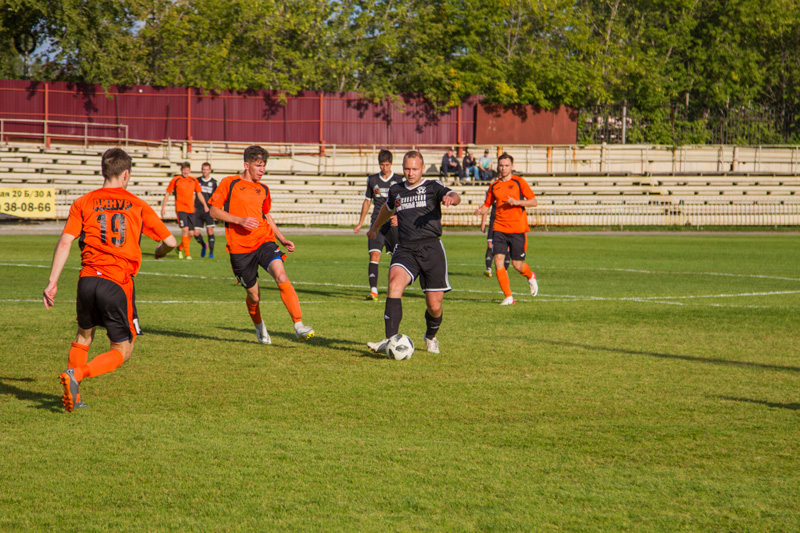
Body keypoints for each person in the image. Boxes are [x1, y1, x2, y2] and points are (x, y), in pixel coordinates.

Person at [43, 148, 177, 412]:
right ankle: (77, 375)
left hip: (86, 281)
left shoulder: (84, 202)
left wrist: (52, 282)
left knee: (83, 337)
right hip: (116, 283)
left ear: (103, 170)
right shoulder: (136, 204)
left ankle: (74, 394)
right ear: (126, 174)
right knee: (123, 350)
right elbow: (170, 242)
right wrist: (160, 252)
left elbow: (65, 241)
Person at [208, 145, 314, 344]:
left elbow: (265, 215)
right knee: (254, 296)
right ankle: (259, 327)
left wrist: (281, 238)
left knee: (281, 274)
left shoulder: (264, 189)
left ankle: (298, 325)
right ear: (247, 165)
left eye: (264, 165)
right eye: (258, 165)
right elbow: (213, 211)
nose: (262, 170)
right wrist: (239, 220)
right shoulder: (229, 183)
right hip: (240, 249)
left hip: (264, 241)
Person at [366, 150, 461, 355]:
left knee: (434, 305)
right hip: (405, 247)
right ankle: (390, 340)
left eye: (414, 169)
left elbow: (454, 194)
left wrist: (450, 198)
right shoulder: (396, 190)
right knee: (394, 284)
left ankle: (430, 336)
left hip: (431, 249)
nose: (410, 173)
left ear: (422, 168)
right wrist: (374, 228)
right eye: (407, 169)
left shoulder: (432, 187)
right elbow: (387, 209)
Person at [474, 152, 538, 305]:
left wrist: (517, 202)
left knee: (517, 265)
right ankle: (509, 297)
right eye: (501, 165)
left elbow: (534, 201)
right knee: (498, 261)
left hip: (517, 229)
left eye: (506, 166)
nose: (503, 168)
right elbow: (487, 205)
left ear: (512, 167)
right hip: (499, 228)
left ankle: (530, 276)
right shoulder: (494, 185)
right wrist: (480, 211)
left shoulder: (519, 182)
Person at [353, 149, 404, 300]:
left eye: (387, 165)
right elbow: (367, 201)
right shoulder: (372, 180)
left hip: (394, 224)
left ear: (391, 164)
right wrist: (360, 223)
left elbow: (404, 202)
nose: (385, 168)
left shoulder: (399, 180)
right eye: (382, 165)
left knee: (398, 257)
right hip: (377, 223)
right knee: (374, 254)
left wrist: (399, 217)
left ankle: (396, 287)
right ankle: (373, 291)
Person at [160, 162, 209, 260]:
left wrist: (205, 205)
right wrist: (163, 207)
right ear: (181, 170)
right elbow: (167, 193)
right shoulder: (176, 180)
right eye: (184, 170)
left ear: (189, 170)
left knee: (191, 233)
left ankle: (179, 248)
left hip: (191, 209)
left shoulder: (193, 180)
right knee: (185, 230)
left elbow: (199, 193)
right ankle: (187, 254)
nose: (185, 172)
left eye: (187, 170)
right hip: (181, 209)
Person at [192, 162, 218, 258]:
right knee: (196, 233)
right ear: (201, 170)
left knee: (210, 230)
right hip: (198, 209)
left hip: (208, 210)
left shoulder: (214, 182)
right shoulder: (196, 181)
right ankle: (203, 245)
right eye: (203, 169)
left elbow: (216, 196)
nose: (205, 171)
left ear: (210, 170)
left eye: (207, 169)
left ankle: (211, 252)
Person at [480, 203, 509, 278]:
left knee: (507, 246)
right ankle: (488, 269)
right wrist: (483, 222)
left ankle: (505, 270)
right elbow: (486, 206)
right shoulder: (492, 191)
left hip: (506, 221)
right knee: (490, 244)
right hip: (494, 221)